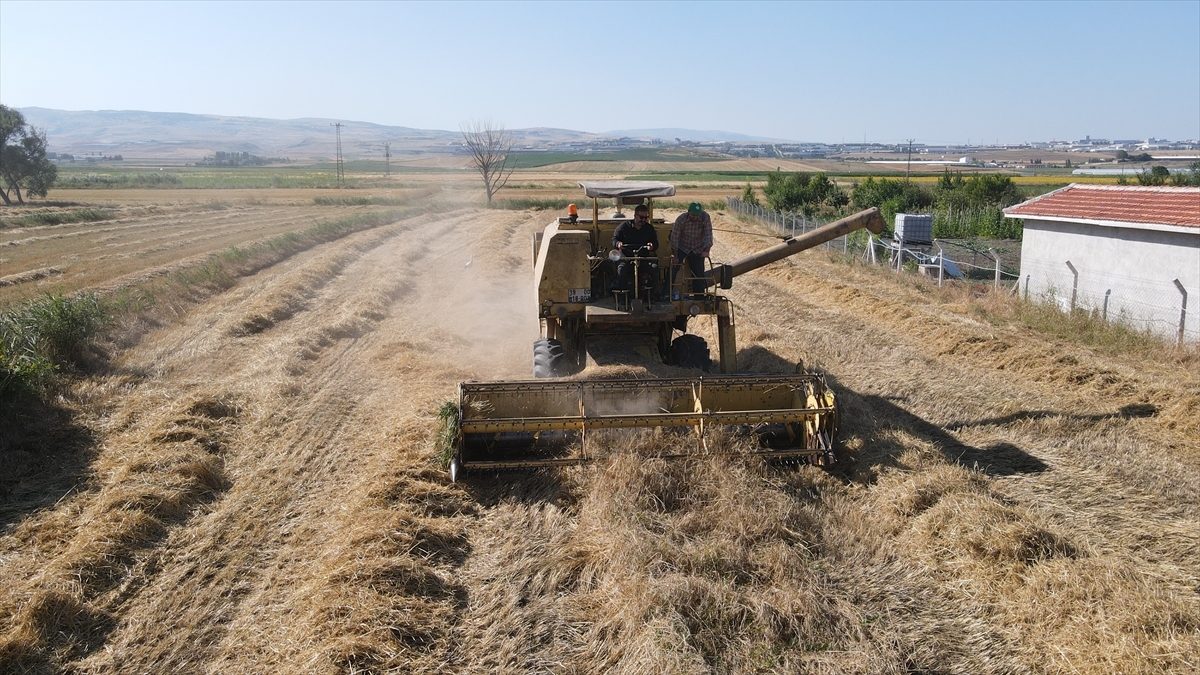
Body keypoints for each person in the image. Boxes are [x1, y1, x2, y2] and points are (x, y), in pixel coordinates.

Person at [611, 204, 658, 293]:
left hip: (643, 258)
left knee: (654, 268)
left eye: (645, 218)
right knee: (621, 269)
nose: (643, 220)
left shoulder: (649, 228)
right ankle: (623, 294)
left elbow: (655, 243)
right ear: (635, 216)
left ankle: (651, 295)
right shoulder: (624, 226)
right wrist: (618, 244)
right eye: (641, 217)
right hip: (626, 258)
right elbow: (614, 239)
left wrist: (652, 246)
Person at [670, 202, 713, 296]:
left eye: (697, 215)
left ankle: (699, 297)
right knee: (673, 269)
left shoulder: (705, 217)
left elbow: (708, 235)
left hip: (698, 248)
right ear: (688, 212)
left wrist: (706, 251)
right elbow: (674, 238)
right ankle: (666, 293)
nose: (695, 217)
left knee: (699, 273)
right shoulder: (681, 219)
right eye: (693, 215)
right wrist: (675, 256)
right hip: (683, 247)